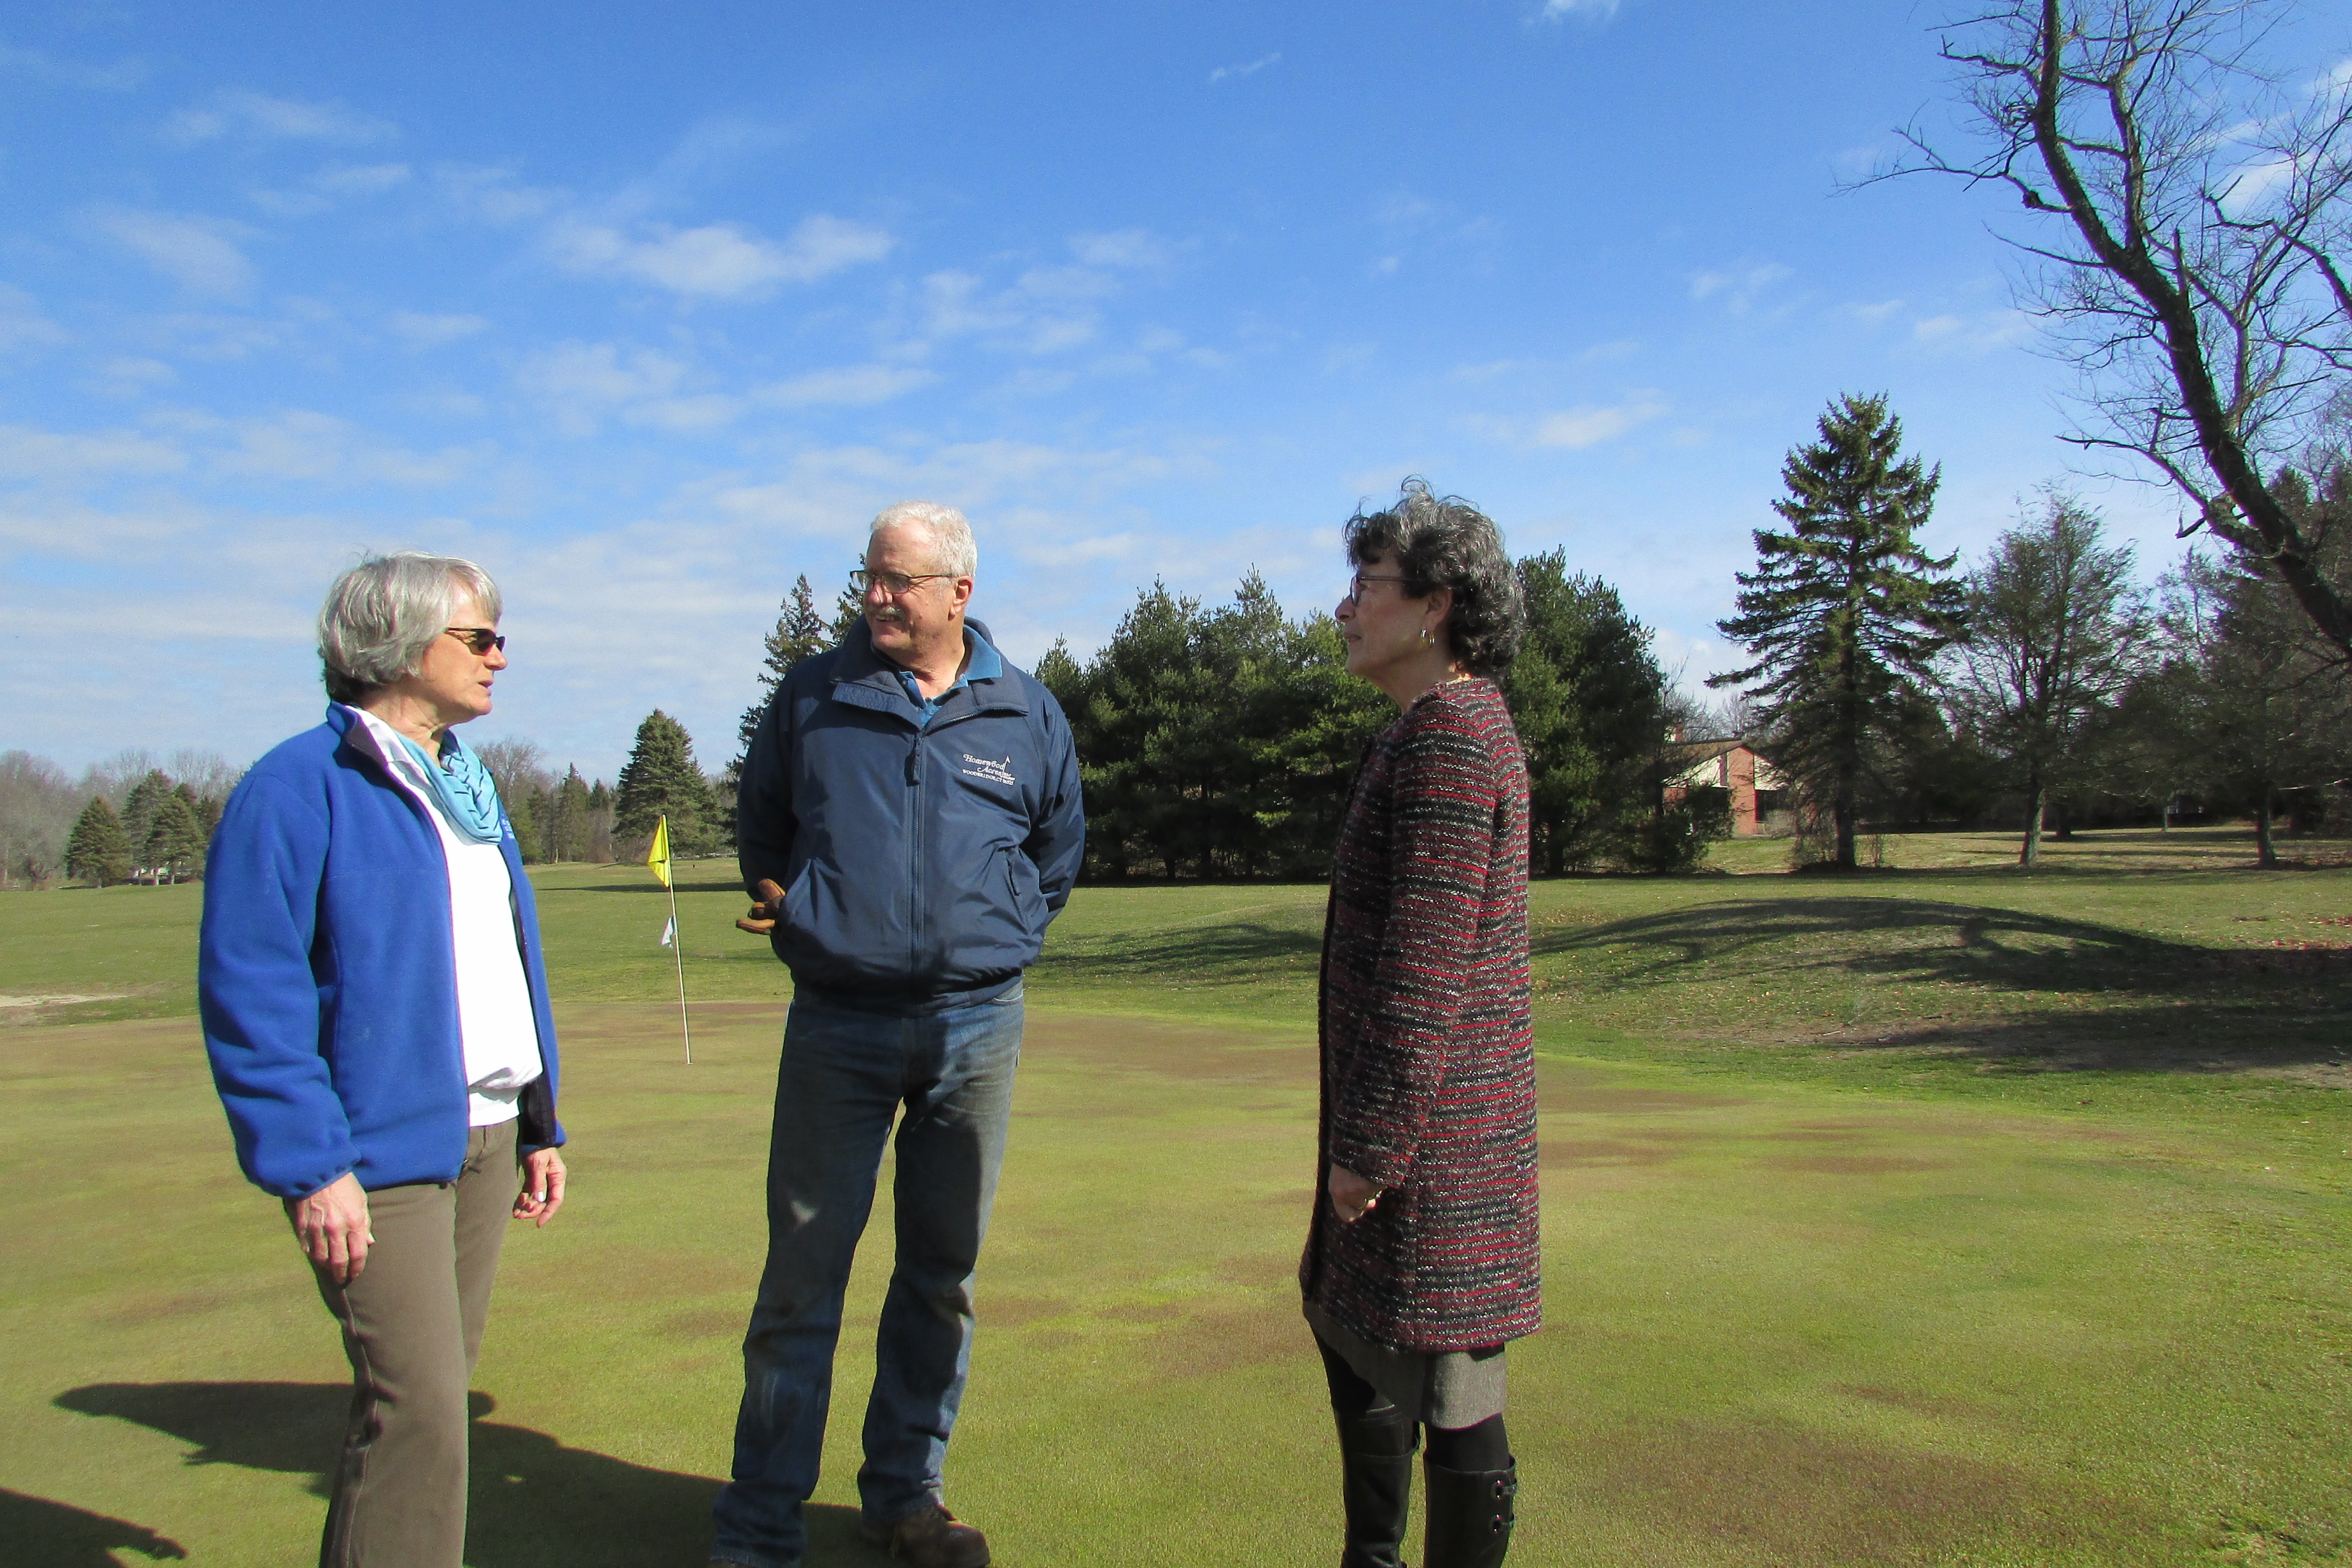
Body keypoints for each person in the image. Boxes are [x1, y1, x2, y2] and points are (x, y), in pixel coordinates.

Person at [714, 501, 1084, 1568]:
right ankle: (758, 1527)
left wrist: (997, 932)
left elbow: (1056, 851)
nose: (876, 596)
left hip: (977, 1028)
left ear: (959, 592)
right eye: (869, 577)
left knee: (941, 1274)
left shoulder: (1024, 711)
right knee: (800, 1283)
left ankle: (905, 1498)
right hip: (838, 1022)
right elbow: (764, 826)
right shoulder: (814, 696)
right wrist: (813, 910)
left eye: (900, 581)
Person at [198, 551, 568, 1568]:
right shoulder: (296, 788)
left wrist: (539, 1122)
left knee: (424, 1409)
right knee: (423, 1414)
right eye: (480, 639)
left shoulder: (467, 784)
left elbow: (500, 965)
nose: (501, 658)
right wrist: (312, 1167)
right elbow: (252, 990)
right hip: (376, 1157)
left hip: (491, 1137)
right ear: (399, 647)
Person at [1303, 481, 1539, 1568]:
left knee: (1452, 1389)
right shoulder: (1426, 730)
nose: (1346, 609)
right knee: (1358, 1343)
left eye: (1368, 587)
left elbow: (1424, 973)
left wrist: (1370, 1148)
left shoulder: (1449, 741)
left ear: (1435, 604)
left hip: (1433, 1150)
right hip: (1408, 1138)